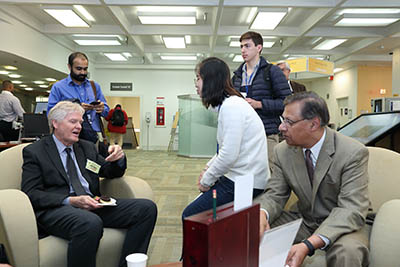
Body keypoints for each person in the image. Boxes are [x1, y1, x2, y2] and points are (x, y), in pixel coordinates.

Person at [21, 101, 157, 267]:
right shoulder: (35, 151)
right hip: (57, 209)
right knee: (89, 222)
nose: (79, 126)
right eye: (73, 122)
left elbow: (109, 171)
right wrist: (70, 201)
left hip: (92, 204)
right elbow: (31, 193)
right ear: (55, 123)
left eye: (81, 122)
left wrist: (118, 158)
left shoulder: (86, 148)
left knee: (146, 209)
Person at [258, 92, 370, 267]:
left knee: (347, 252)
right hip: (305, 218)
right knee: (253, 231)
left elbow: (350, 209)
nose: (281, 127)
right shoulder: (282, 151)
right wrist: (261, 214)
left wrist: (308, 245)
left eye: (289, 121)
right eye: (282, 119)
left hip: (342, 224)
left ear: (313, 124)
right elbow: (275, 194)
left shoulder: (352, 152)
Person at [182, 57, 269, 219]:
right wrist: (207, 168)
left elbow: (228, 154)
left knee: (191, 216)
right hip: (241, 177)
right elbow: (225, 150)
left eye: (199, 78)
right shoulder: (230, 105)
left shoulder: (231, 107)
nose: (196, 83)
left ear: (211, 81)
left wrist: (206, 180)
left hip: (244, 182)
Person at [232, 31, 292, 167]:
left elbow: (288, 103)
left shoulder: (272, 72)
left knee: (271, 175)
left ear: (259, 48)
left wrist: (259, 104)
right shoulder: (237, 76)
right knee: (244, 176)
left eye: (247, 46)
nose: (243, 50)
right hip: (243, 136)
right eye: (241, 46)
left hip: (266, 134)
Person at [47, 52, 109, 143]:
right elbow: (51, 114)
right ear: (69, 67)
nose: (83, 72)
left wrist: (102, 108)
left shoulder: (94, 86)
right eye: (79, 69)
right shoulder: (58, 87)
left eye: (85, 69)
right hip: (69, 136)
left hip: (93, 135)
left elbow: (107, 112)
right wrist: (76, 109)